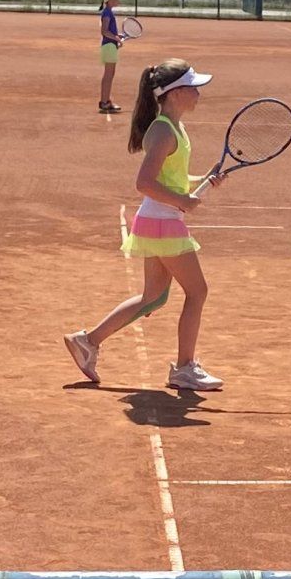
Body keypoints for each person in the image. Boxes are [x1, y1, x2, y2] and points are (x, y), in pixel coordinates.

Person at [64, 60, 226, 392]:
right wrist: (182, 201)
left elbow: (170, 177)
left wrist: (203, 180)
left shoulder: (172, 127)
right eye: (193, 87)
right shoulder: (164, 130)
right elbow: (144, 183)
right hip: (163, 222)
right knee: (197, 291)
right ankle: (184, 368)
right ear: (176, 93)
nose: (199, 93)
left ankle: (87, 341)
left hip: (157, 220)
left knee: (153, 297)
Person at [97, 0, 125, 113]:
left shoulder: (108, 12)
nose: (118, 0)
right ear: (110, 0)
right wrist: (116, 39)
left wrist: (117, 36)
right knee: (108, 75)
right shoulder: (107, 13)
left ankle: (106, 101)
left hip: (110, 46)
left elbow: (109, 31)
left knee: (109, 75)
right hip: (109, 46)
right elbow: (104, 31)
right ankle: (105, 102)